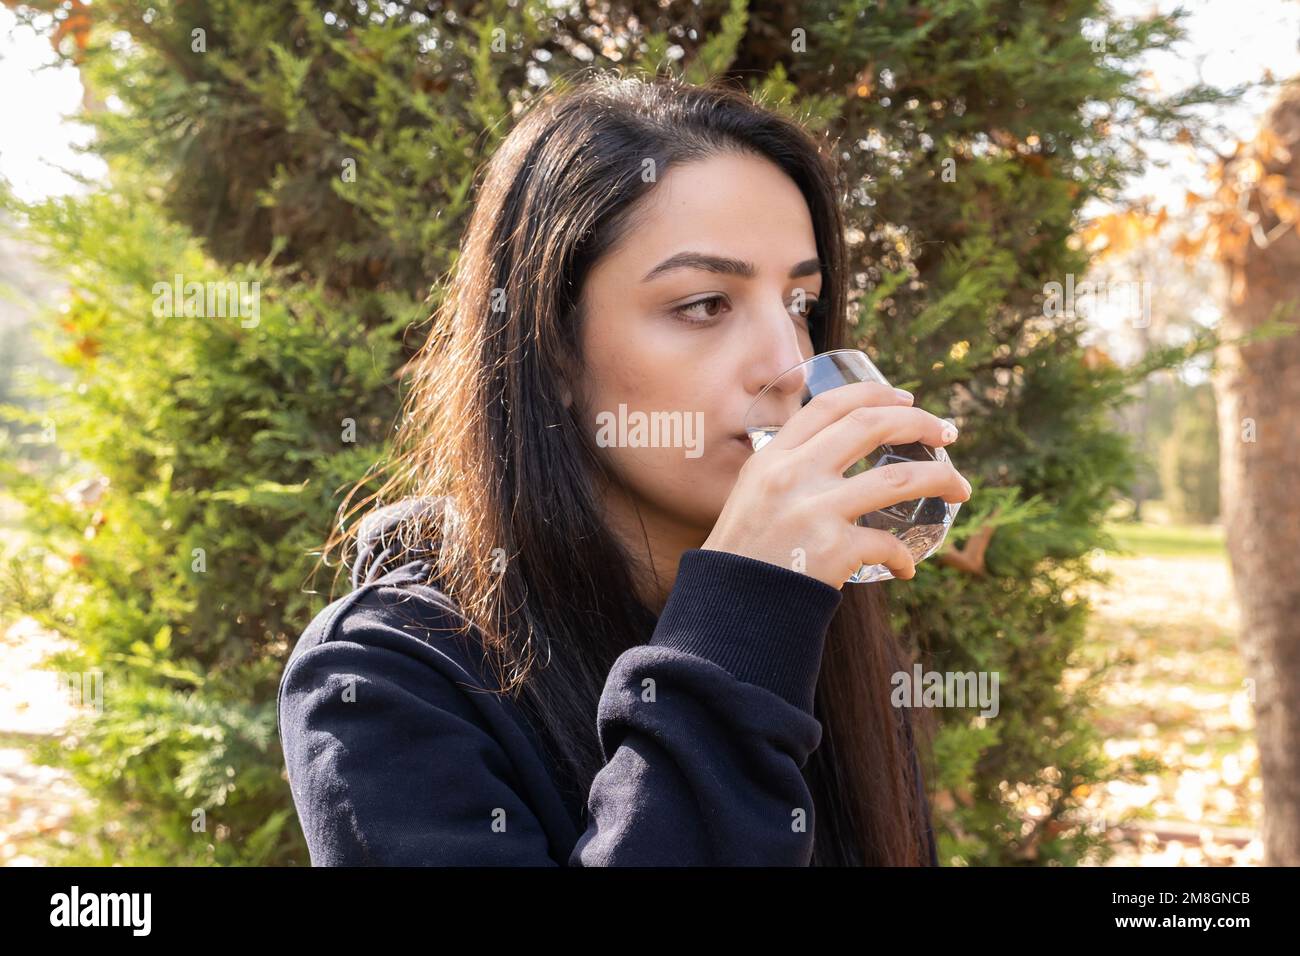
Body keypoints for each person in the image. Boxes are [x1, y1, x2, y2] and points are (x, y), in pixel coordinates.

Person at [278, 69, 971, 866]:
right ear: (556, 352)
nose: (788, 364)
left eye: (801, 305)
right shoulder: (382, 679)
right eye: (705, 304)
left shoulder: (817, 624)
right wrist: (740, 626)